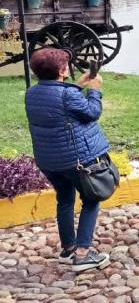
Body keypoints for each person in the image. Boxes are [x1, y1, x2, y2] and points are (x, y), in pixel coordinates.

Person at [25, 48, 110, 272]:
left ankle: (68, 249)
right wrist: (94, 90)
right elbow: (91, 112)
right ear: (63, 70)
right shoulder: (68, 95)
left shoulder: (31, 93)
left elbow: (60, 102)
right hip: (76, 160)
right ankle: (82, 254)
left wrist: (77, 85)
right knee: (91, 198)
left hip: (49, 161)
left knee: (64, 200)